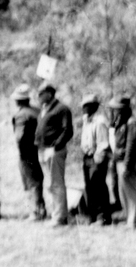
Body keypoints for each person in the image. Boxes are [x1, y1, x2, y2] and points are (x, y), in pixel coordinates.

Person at [36, 83, 74, 226]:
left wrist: (56, 146)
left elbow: (67, 130)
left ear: (50, 94)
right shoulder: (44, 109)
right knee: (50, 184)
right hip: (43, 150)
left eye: (41, 93)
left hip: (54, 151)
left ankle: (60, 217)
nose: (38, 96)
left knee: (56, 184)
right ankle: (56, 214)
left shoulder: (62, 109)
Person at [11, 84, 47, 221]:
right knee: (36, 181)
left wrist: (21, 153)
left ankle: (36, 212)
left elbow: (19, 137)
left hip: (26, 152)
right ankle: (40, 209)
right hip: (37, 149)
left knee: (31, 182)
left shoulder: (21, 115)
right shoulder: (36, 111)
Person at [111, 96, 136, 227]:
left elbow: (131, 145)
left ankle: (134, 220)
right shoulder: (122, 121)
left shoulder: (132, 123)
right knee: (123, 191)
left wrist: (127, 164)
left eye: (117, 109)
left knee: (131, 191)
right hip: (121, 160)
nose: (115, 111)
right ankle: (129, 218)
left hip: (127, 161)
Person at [78, 94, 113, 224]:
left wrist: (97, 161)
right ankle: (93, 215)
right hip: (87, 157)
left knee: (98, 186)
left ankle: (102, 217)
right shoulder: (86, 120)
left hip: (97, 158)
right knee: (90, 188)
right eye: (83, 106)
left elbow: (103, 143)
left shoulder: (100, 121)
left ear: (94, 107)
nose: (84, 108)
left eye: (86, 106)